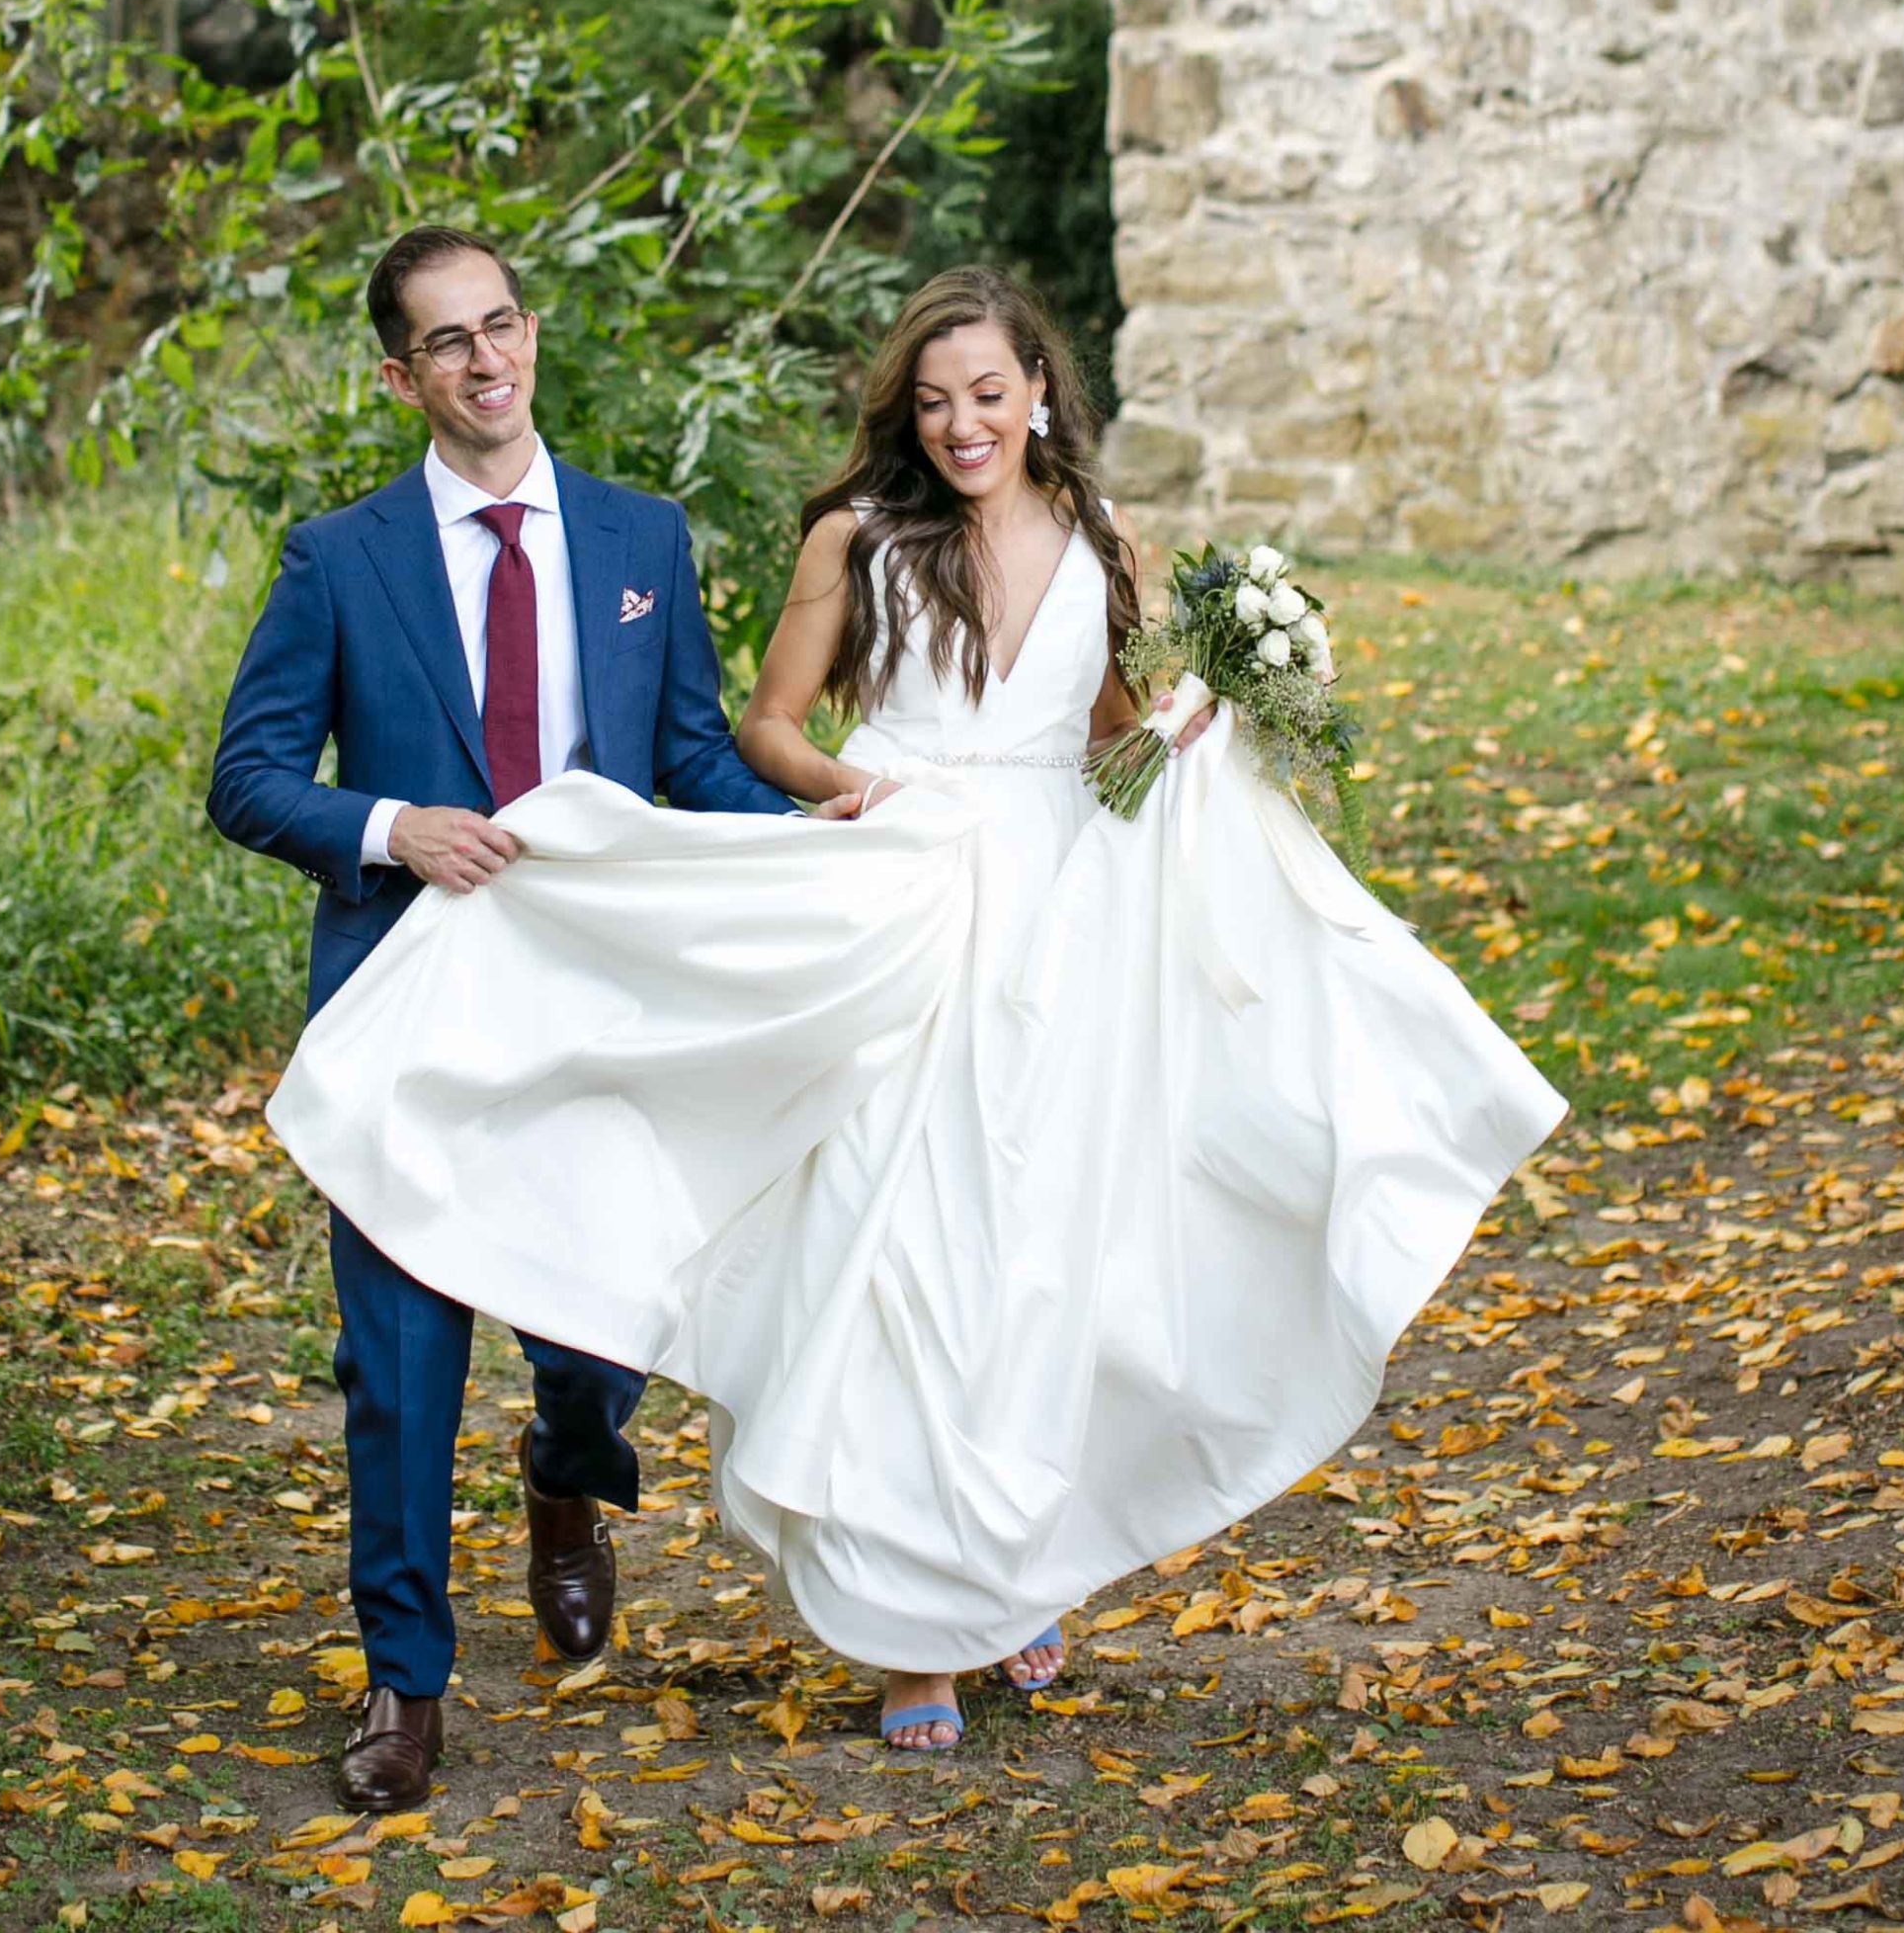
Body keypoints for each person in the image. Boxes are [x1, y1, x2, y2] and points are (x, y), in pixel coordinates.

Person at [269, 264, 1567, 1756]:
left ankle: (1007, 1565)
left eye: (991, 396)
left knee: (1039, 1253)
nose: (964, 424)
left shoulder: (1110, 545)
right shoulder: (857, 539)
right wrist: (839, 788)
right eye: (938, 401)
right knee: (902, 1251)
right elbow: (760, 726)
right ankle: (907, 1643)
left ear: (1039, 394)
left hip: (1061, 924)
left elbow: (1111, 741)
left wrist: (1196, 728)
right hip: (897, 903)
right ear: (911, 410)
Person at [207, 225, 823, 1808]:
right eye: (449, 343)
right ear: (399, 375)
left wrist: (844, 838)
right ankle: (405, 1683)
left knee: (593, 1326)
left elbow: (695, 759)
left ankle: (566, 1478)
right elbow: (249, 777)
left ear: (532, 336)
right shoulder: (339, 560)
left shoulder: (640, 539)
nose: (489, 364)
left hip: (597, 1003)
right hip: (410, 1007)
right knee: (399, 1360)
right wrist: (390, 824)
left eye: (505, 328)